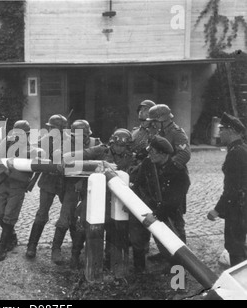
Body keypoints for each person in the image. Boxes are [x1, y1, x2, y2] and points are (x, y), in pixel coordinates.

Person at [64, 128, 132, 268]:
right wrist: (98, 165)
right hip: (93, 195)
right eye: (117, 145)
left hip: (115, 199)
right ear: (111, 143)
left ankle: (109, 259)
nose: (119, 149)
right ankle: (75, 255)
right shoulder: (100, 150)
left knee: (113, 228)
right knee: (83, 225)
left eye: (123, 146)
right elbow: (69, 157)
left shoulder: (131, 157)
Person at [130, 135, 190, 272]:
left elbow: (174, 201)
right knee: (138, 241)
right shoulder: (148, 163)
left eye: (152, 152)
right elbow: (138, 183)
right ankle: (139, 275)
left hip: (169, 214)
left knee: (175, 249)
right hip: (149, 208)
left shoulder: (178, 171)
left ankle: (179, 284)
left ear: (163, 154)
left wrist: (156, 215)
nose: (149, 154)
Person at [50, 119, 102, 265]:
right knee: (65, 218)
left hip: (89, 187)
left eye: (84, 136)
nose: (82, 139)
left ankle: (77, 252)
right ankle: (56, 249)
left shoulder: (96, 142)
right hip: (71, 186)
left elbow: (104, 160)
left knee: (84, 220)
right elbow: (63, 159)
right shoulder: (66, 145)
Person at [0, 120, 41, 262]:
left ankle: (2, 247)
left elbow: (37, 168)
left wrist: (30, 183)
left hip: (17, 186)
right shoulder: (6, 143)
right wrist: (6, 170)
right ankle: (11, 235)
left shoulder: (32, 150)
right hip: (2, 184)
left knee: (9, 216)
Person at [25, 114, 70, 259]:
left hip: (65, 182)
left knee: (68, 214)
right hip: (48, 181)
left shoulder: (71, 141)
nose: (51, 130)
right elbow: (32, 151)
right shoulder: (44, 140)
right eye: (50, 128)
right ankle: (31, 246)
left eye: (54, 128)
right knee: (42, 213)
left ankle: (59, 248)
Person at [207, 112, 247, 267]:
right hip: (242, 205)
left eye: (222, 129)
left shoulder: (236, 153)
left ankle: (240, 285)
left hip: (238, 207)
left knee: (234, 246)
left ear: (231, 131)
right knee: (239, 244)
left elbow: (232, 189)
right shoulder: (240, 149)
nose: (219, 133)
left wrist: (217, 210)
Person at [130, 100, 155, 180]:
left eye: (145, 109)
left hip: (148, 170)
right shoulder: (134, 131)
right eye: (140, 109)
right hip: (132, 168)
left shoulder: (155, 132)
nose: (141, 111)